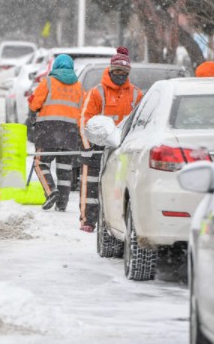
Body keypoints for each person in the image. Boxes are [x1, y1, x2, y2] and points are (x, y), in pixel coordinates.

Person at [79, 46, 142, 232]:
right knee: (90, 185)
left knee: (118, 187)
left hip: (123, 149)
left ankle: (113, 221)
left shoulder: (137, 94)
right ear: (110, 70)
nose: (120, 74)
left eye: (124, 72)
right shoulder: (96, 93)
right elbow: (84, 119)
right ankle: (88, 221)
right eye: (117, 71)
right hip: (97, 147)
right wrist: (87, 145)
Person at [28, 54, 84, 211]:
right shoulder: (79, 86)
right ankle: (62, 204)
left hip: (48, 129)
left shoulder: (48, 82)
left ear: (55, 67)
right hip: (71, 132)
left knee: (40, 163)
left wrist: (33, 112)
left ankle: (50, 190)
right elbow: (83, 110)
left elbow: (34, 104)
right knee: (65, 168)